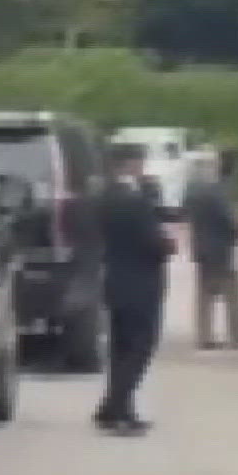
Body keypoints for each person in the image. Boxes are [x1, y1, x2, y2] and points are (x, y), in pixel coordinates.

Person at [96, 142, 174, 434]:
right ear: (129, 164)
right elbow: (153, 242)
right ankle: (118, 407)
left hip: (115, 278)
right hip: (141, 282)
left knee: (120, 347)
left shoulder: (104, 196)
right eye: (140, 162)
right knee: (141, 346)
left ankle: (114, 407)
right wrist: (168, 245)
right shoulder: (136, 200)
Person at [183, 149, 238, 350]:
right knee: (233, 291)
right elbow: (228, 220)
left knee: (204, 293)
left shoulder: (192, 192)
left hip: (201, 246)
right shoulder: (217, 192)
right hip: (221, 248)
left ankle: (204, 335)